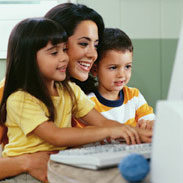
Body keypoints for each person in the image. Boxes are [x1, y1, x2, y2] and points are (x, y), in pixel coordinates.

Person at [0, 3, 152, 182]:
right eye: (83, 43)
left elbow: (103, 124)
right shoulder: (14, 93)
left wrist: (139, 133)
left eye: (96, 45)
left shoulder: (74, 90)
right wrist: (25, 162)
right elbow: (56, 137)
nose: (93, 54)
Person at [81, 28, 155, 129]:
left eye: (127, 67)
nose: (121, 75)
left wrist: (150, 124)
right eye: (113, 67)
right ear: (95, 70)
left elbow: (150, 120)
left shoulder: (134, 96)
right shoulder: (87, 103)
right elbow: (82, 137)